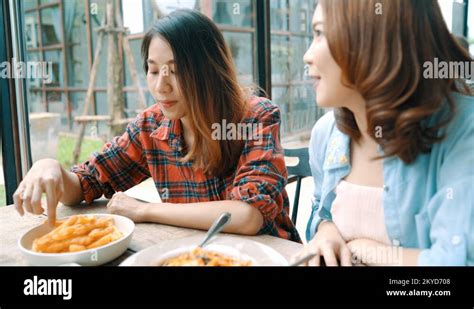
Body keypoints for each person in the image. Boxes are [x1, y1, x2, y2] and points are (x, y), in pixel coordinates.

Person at [13, 9, 301, 243]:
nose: (161, 86)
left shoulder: (256, 117)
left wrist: (146, 210)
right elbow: (88, 183)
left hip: (269, 255)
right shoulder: (151, 127)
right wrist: (50, 167)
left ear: (210, 70)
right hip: (198, 254)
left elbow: (247, 216)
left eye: (175, 71)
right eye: (152, 70)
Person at [293, 0, 473, 266]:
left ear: (372, 38)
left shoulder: (463, 131)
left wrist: (370, 250)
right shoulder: (326, 133)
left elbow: (459, 260)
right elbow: (322, 210)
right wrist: (325, 230)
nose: (307, 55)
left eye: (320, 33)